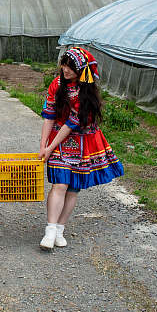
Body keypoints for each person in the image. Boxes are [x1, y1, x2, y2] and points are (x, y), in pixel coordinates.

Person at [38, 47, 124, 251]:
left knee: (73, 188)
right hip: (60, 139)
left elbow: (71, 123)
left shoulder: (86, 91)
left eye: (70, 66)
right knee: (60, 184)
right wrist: (43, 145)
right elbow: (49, 115)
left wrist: (50, 147)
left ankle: (60, 228)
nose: (65, 69)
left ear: (81, 69)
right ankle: (50, 230)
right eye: (64, 64)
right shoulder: (57, 84)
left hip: (84, 141)